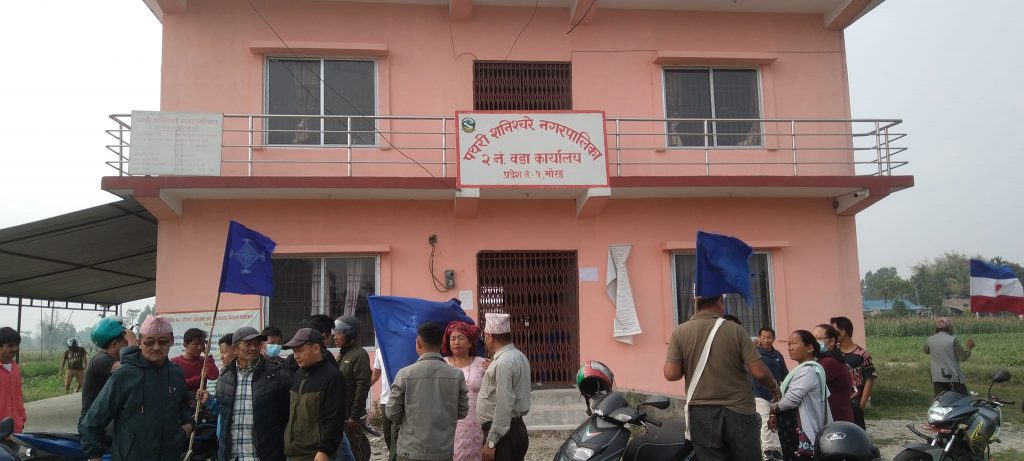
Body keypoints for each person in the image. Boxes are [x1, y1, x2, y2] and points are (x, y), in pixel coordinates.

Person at [663, 295, 781, 461]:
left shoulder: (680, 332)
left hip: (701, 412)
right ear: (720, 301)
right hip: (739, 411)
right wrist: (774, 388)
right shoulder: (736, 330)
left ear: (696, 303)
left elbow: (671, 374)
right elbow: (759, 372)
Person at [80, 315, 193, 461]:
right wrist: (94, 455)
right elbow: (92, 422)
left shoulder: (176, 373)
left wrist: (189, 425)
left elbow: (184, 406)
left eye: (163, 341)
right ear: (139, 343)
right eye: (149, 342)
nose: (156, 347)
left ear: (171, 341)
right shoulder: (123, 376)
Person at [388, 322, 469, 461]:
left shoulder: (404, 374)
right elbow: (462, 411)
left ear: (418, 343)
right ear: (442, 344)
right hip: (442, 452)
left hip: (410, 452)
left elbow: (392, 413)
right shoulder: (457, 375)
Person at [216, 326, 292, 461]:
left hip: (265, 455)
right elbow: (224, 419)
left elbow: (286, 418)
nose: (253, 348)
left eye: (257, 344)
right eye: (247, 344)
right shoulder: (224, 378)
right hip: (233, 455)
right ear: (235, 349)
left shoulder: (277, 376)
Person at [283, 327, 347, 461]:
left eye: (300, 350)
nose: (296, 356)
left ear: (316, 348)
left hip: (315, 454)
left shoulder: (332, 377)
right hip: (292, 452)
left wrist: (325, 450)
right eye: (294, 351)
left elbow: (335, 420)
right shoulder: (298, 374)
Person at [771, 330, 832, 461]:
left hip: (800, 431)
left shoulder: (807, 371)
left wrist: (773, 408)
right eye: (788, 344)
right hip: (792, 429)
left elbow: (790, 400)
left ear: (809, 348)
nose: (790, 348)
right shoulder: (804, 370)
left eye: (794, 343)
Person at [478, 312, 531, 461]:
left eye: (485, 336)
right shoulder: (519, 356)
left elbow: (504, 404)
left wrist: (492, 442)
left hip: (503, 435)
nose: (484, 340)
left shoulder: (503, 363)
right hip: (514, 429)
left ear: (490, 336)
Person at [443, 321, 486, 461]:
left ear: (470, 343)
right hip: (448, 422)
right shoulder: (442, 364)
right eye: (452, 338)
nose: (456, 342)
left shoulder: (481, 363)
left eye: (461, 338)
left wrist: (495, 366)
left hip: (476, 423)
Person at [81, 316, 137, 422]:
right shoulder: (100, 359)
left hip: (105, 416)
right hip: (93, 421)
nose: (128, 344)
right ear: (115, 344)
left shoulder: (113, 358)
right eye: (126, 341)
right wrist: (132, 342)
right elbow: (129, 370)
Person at [334, 316, 372, 461]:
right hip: (342, 415)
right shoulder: (343, 354)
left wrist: (354, 416)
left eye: (338, 333)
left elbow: (363, 387)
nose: (335, 337)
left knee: (352, 453)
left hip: (351, 418)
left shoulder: (359, 354)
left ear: (349, 333)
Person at [830, 316, 878, 429]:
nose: (831, 335)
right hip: (835, 403)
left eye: (834, 331)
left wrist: (862, 404)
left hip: (854, 405)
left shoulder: (862, 355)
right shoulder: (833, 353)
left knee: (855, 433)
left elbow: (870, 380)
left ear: (842, 332)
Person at [753, 327, 787, 461]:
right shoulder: (754, 354)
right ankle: (767, 450)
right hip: (759, 394)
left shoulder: (778, 355)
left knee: (775, 422)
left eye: (769, 337)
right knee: (765, 420)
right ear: (759, 338)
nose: (766, 340)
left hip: (775, 396)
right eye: (763, 337)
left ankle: (777, 451)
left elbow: (785, 375)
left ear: (774, 339)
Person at [811, 324, 854, 423]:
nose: (813, 343)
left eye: (818, 339)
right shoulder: (831, 358)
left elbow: (807, 383)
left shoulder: (829, 362)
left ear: (831, 341)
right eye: (812, 339)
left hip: (837, 419)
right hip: (838, 417)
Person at [924, 317, 974, 396]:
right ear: (949, 328)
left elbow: (926, 351)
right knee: (960, 398)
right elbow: (962, 357)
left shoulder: (930, 339)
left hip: (937, 377)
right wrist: (969, 348)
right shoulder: (953, 340)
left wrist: (934, 336)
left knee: (941, 400)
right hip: (952, 377)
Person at [172, 328, 220, 394]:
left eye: (202, 343)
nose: (200, 347)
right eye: (196, 344)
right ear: (185, 345)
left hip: (201, 400)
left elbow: (214, 376)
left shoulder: (204, 361)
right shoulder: (175, 362)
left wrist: (208, 355)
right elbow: (178, 385)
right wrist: (200, 378)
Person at [0, 327, 26, 452]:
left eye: (17, 345)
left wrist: (22, 418)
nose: (15, 349)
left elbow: (18, 396)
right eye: (10, 345)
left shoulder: (15, 368)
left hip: (16, 430)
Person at [371, 349, 395, 461]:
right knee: (388, 436)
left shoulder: (402, 344)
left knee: (399, 436)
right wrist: (361, 389)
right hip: (386, 400)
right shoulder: (380, 351)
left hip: (403, 398)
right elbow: (375, 375)